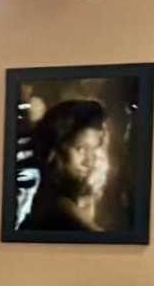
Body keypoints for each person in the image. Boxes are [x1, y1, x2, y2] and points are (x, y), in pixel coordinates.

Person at [19, 96, 126, 236]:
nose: (89, 161)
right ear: (55, 150)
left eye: (94, 149)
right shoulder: (57, 210)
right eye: (80, 148)